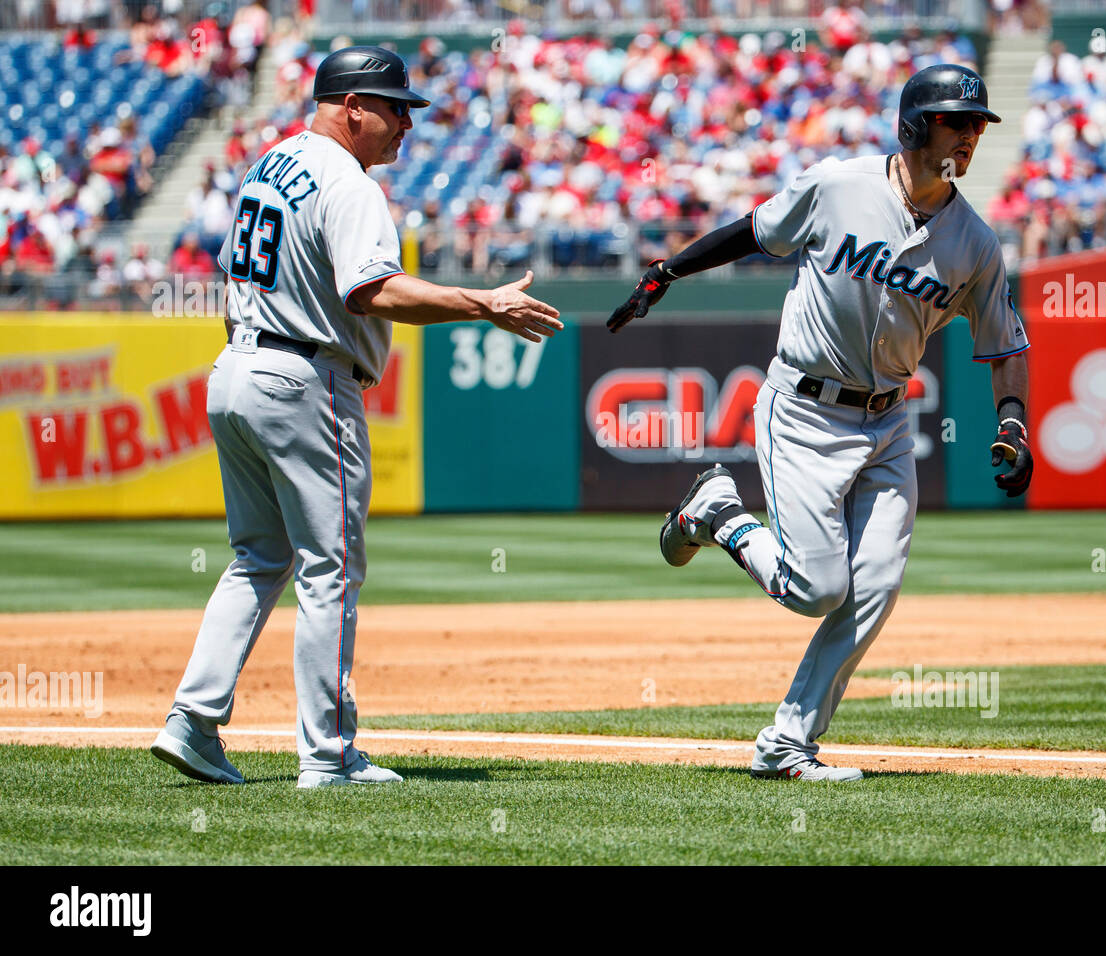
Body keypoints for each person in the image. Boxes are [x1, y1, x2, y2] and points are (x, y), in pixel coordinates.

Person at [150, 45, 562, 789]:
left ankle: (192, 719)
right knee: (330, 568)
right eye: (396, 107)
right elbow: (373, 291)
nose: (407, 123)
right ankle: (330, 755)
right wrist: (484, 303)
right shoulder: (350, 183)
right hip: (305, 377)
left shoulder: (267, 165)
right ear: (353, 107)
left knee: (258, 557)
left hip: (237, 366)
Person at [607, 64, 1031, 782]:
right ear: (916, 125)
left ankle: (787, 745)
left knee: (874, 590)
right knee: (815, 589)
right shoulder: (840, 186)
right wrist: (667, 272)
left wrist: (1014, 424)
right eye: (957, 121)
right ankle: (720, 517)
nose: (970, 135)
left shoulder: (975, 244)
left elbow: (1005, 345)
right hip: (802, 409)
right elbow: (755, 229)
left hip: (889, 423)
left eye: (978, 125)